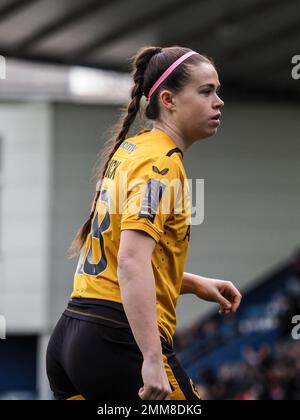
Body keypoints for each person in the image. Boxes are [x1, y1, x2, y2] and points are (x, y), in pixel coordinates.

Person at [46, 45, 242, 401]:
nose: (219, 101)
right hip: (116, 339)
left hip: (73, 336)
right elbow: (131, 261)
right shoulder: (161, 166)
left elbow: (121, 256)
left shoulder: (134, 150)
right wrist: (151, 359)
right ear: (168, 100)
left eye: (218, 91)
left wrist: (194, 283)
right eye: (206, 91)